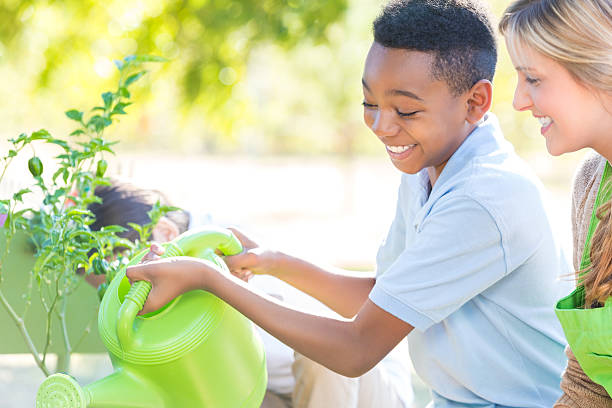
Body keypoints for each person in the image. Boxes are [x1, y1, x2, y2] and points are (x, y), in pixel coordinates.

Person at [127, 0, 572, 406]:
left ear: (475, 102)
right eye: (369, 102)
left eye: (406, 111)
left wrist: (211, 280)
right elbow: (382, 295)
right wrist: (271, 261)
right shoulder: (429, 165)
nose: (381, 125)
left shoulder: (484, 197)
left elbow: (358, 347)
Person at [88, 179, 414, 408]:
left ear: (167, 232)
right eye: (109, 288)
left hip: (361, 382)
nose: (133, 288)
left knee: (318, 359)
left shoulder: (233, 248)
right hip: (275, 390)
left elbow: (337, 341)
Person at [499, 1, 612, 407]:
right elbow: (590, 380)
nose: (518, 101)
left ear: (599, 69)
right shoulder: (592, 184)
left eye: (532, 78)